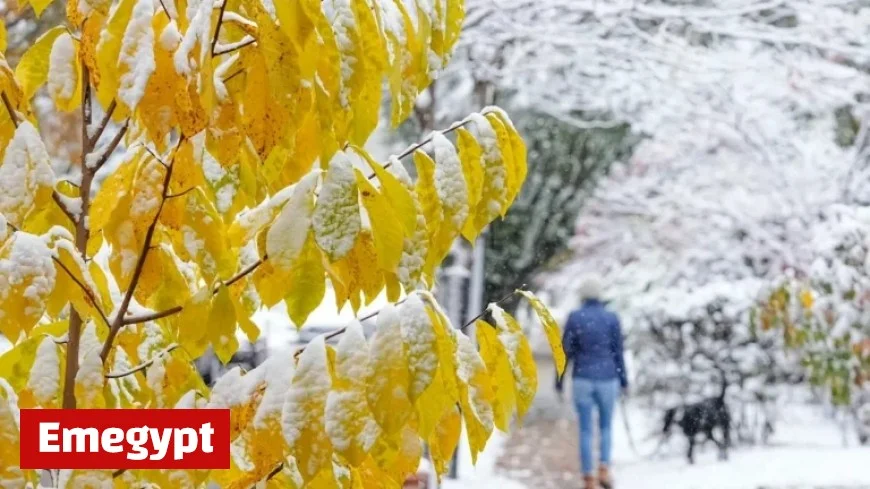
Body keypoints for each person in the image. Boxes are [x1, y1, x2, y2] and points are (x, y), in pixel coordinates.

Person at [556, 275, 628, 489]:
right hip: (608, 378)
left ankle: (588, 478)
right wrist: (624, 380)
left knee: (586, 430)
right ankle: (604, 469)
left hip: (582, 379)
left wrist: (559, 379)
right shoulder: (611, 318)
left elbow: (565, 351)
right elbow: (618, 352)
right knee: (605, 427)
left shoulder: (575, 317)